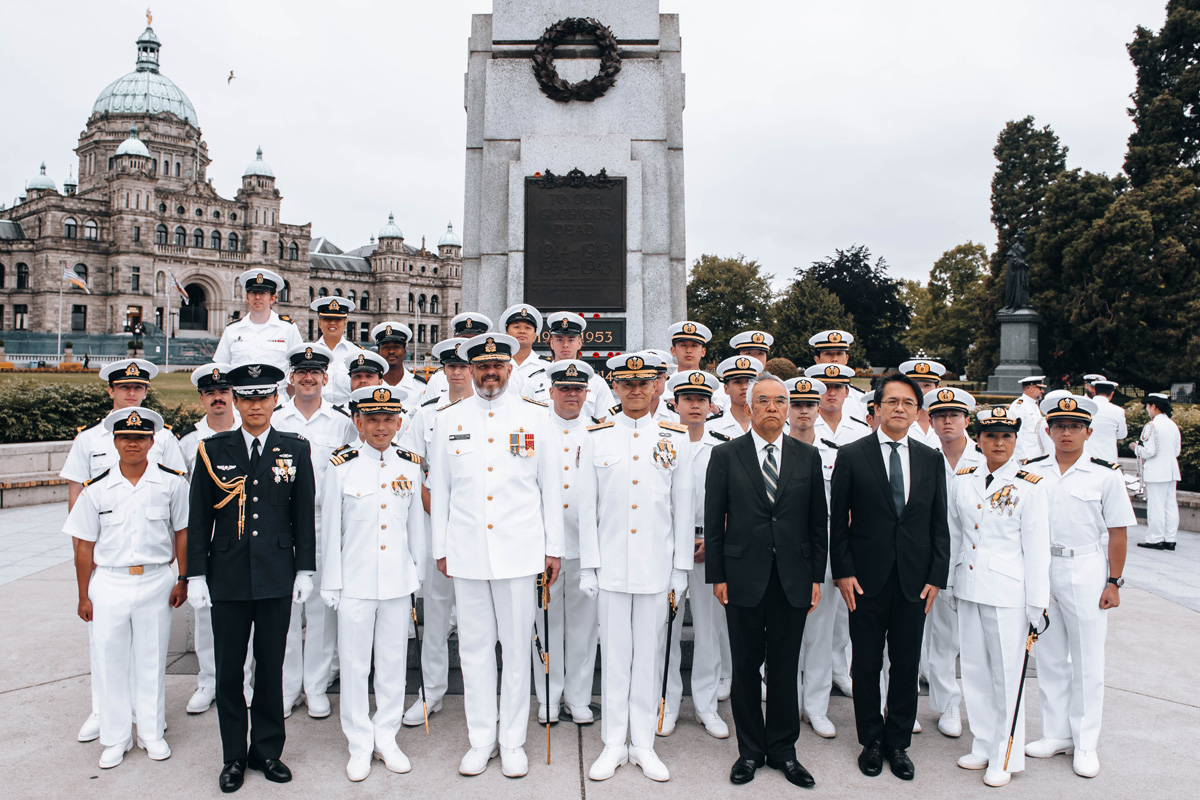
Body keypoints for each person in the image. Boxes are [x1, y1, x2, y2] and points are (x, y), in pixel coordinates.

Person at [429, 333, 564, 778]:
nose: (490, 372)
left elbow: (550, 487)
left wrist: (553, 549)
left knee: (517, 649)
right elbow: (441, 489)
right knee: (474, 651)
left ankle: (512, 741)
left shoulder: (536, 417)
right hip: (467, 552)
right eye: (482, 366)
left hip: (520, 553)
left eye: (497, 366)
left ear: (510, 369)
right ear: (470, 370)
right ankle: (481, 739)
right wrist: (441, 548)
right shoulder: (449, 419)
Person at [186, 363, 316, 794]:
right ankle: (233, 756)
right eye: (246, 398)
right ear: (235, 402)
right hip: (227, 577)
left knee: (271, 667)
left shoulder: (294, 449)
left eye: (263, 397)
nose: (255, 405)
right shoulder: (212, 450)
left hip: (276, 575)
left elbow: (302, 515)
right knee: (228, 672)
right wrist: (196, 575)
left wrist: (304, 568)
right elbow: (199, 518)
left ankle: (266, 750)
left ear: (276, 399)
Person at [705, 372, 826, 788]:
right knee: (745, 666)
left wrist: (816, 575)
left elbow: (817, 523)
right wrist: (717, 575)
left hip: (793, 577)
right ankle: (750, 751)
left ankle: (784, 750)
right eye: (763, 400)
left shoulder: (807, 456)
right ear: (749, 406)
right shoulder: (726, 455)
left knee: (785, 666)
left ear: (788, 408)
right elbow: (714, 521)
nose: (772, 407)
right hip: (742, 576)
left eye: (779, 401)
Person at [578, 352, 693, 783]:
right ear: (615, 387)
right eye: (627, 383)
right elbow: (586, 508)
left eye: (644, 383)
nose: (636, 390)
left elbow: (683, 508)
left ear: (655, 386)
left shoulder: (674, 436)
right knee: (614, 659)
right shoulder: (597, 435)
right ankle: (613, 743)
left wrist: (680, 570)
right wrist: (589, 566)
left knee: (648, 658)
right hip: (610, 568)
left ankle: (643, 743)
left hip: (655, 568)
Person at [830, 372, 950, 782]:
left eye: (908, 403)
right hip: (865, 579)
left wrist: (937, 574)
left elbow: (938, 523)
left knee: (905, 663)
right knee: (865, 663)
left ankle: (897, 742)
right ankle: (870, 740)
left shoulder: (931, 459)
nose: (900, 408)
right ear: (877, 408)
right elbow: (838, 522)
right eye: (892, 401)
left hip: (914, 580)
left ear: (918, 412)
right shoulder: (852, 455)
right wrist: (843, 571)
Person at [60, 357, 185, 743]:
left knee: (148, 651)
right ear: (111, 390)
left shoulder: (164, 438)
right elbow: (77, 495)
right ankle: (103, 712)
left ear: (146, 391)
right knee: (105, 648)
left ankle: (147, 719)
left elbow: (177, 500)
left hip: (150, 560)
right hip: (107, 559)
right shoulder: (89, 439)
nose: (132, 393)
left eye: (139, 387)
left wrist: (173, 564)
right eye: (125, 387)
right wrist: (86, 558)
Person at [1023, 395, 1136, 778]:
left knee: (1088, 660)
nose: (1066, 433)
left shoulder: (1105, 474)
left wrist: (1113, 582)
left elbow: (1118, 532)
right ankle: (1056, 734)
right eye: (1059, 426)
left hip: (1085, 567)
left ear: (1088, 432)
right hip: (1042, 568)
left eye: (1074, 427)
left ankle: (1085, 742)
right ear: (1048, 430)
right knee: (1050, 657)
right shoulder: (1032, 471)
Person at [320, 385, 425, 782]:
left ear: (399, 422)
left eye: (388, 419)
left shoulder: (409, 465)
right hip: (355, 582)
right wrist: (331, 582)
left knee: (393, 664)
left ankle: (387, 736)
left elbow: (415, 529)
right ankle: (359, 742)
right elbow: (330, 529)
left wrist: (417, 577)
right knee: (354, 664)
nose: (381, 427)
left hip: (397, 583)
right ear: (358, 422)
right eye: (373, 419)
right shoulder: (341, 465)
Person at [949, 406, 1050, 787]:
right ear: (978, 439)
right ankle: (982, 743)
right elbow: (955, 535)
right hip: (969, 585)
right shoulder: (963, 478)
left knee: (1008, 677)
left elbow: (1037, 548)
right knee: (974, 671)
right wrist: (950, 583)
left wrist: (1037, 603)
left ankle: (1005, 754)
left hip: (1009, 593)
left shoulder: (1030, 485)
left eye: (1007, 436)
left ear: (1015, 440)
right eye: (991, 435)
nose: (999, 442)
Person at [273, 344, 357, 720]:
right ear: (291, 377)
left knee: (322, 611)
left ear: (325, 377)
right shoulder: (276, 419)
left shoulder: (341, 424)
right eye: (302, 372)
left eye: (315, 372)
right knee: (286, 612)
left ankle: (316, 687)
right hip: (282, 523)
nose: (308, 378)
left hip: (324, 523)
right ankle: (288, 687)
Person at [400, 338, 471, 728]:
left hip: (477, 527)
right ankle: (431, 692)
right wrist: (434, 507)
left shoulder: (489, 411)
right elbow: (411, 467)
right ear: (443, 370)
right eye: (451, 366)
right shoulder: (425, 413)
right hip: (436, 524)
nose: (457, 372)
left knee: (481, 617)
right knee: (438, 613)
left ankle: (483, 697)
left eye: (463, 365)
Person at [527, 359, 601, 726]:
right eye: (565, 388)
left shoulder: (600, 431)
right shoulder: (534, 430)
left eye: (578, 389)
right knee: (546, 624)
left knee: (584, 628)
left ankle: (579, 697)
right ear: (551, 391)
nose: (572, 394)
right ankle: (548, 697)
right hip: (545, 549)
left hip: (587, 547)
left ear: (587, 393)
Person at [175, 364, 252, 715]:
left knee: (247, 615)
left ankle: (244, 682)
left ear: (233, 396)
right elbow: (182, 498)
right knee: (206, 613)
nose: (218, 398)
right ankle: (208, 680)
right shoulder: (187, 441)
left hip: (244, 536)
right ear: (201, 398)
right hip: (206, 537)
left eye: (223, 392)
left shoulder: (249, 432)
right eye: (210, 393)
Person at [661, 369, 729, 739]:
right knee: (666, 629)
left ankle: (705, 705)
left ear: (711, 405)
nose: (695, 406)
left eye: (702, 399)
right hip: (669, 547)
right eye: (688, 399)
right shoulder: (662, 441)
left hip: (708, 546)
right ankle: (668, 703)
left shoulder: (723, 446)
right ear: (675, 403)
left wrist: (716, 539)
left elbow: (734, 501)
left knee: (709, 630)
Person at [919, 387, 983, 740]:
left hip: (972, 559)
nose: (947, 422)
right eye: (940, 415)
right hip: (930, 557)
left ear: (966, 420)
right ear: (930, 421)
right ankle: (943, 703)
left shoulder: (984, 459)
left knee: (966, 640)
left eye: (954, 415)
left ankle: (968, 706)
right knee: (931, 635)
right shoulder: (924, 458)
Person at [806, 361, 870, 699]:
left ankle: (840, 670)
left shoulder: (859, 431)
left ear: (847, 391)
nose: (831, 392)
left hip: (847, 531)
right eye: (825, 386)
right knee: (814, 611)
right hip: (811, 531)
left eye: (837, 387)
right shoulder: (801, 424)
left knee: (846, 610)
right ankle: (810, 680)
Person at [784, 375, 842, 740]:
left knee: (821, 633)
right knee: (784, 633)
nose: (803, 411)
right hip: (783, 549)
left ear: (819, 410)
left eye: (809, 405)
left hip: (824, 549)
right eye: (796, 404)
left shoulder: (835, 453)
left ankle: (817, 707)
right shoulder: (773, 449)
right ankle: (787, 703)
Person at [213, 269, 302, 392]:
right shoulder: (232, 330)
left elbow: (299, 366)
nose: (257, 297)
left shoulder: (287, 328)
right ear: (247, 297)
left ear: (272, 298)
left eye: (263, 293)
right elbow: (221, 367)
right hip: (241, 397)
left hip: (276, 398)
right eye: (253, 293)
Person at [545, 311, 614, 419]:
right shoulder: (534, 381)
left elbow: (605, 419)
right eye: (559, 339)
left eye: (571, 340)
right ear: (551, 343)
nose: (565, 345)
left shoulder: (597, 382)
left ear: (579, 343)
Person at [1135, 392, 1182, 550]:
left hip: (1156, 471)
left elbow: (1149, 451)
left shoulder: (1152, 425)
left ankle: (1155, 538)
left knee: (1156, 505)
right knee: (1170, 505)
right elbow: (1177, 451)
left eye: (1147, 406)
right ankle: (1170, 538)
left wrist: (1136, 449)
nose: (1147, 410)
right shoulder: (1172, 425)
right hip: (1171, 470)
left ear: (1154, 406)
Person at [310, 296, 364, 406]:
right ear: (319, 323)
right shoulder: (309, 353)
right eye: (327, 319)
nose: (332, 323)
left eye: (338, 319)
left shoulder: (357, 354)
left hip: (348, 412)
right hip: (315, 411)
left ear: (345, 323)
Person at [668, 320, 727, 411]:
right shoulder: (663, 387)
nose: (688, 350)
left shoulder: (719, 388)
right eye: (683, 345)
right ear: (673, 351)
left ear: (703, 352)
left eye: (694, 345)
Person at [809, 329, 867, 420]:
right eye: (828, 354)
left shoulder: (861, 399)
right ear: (817, 360)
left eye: (839, 354)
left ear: (847, 358)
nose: (834, 359)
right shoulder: (805, 397)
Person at [501, 303, 550, 397]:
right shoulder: (497, 365)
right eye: (516, 327)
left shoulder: (547, 367)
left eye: (527, 328)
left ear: (534, 336)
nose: (522, 331)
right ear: (507, 334)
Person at [370, 322, 428, 399]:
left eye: (396, 347)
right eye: (386, 347)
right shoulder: (370, 386)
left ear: (404, 351)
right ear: (378, 352)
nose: (391, 351)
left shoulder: (421, 387)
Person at [898, 359, 947, 449]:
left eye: (927, 385)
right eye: (915, 385)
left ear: (938, 388)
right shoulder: (896, 420)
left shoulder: (949, 421)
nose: (921, 391)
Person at [1084, 379, 1127, 463]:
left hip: (1086, 453)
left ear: (1094, 391)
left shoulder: (1085, 407)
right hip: (1108, 456)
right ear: (1112, 393)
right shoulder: (1118, 411)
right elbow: (1122, 434)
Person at [1008, 376, 1047, 463]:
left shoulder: (1034, 405)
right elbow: (1016, 432)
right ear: (1031, 388)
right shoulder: (1019, 406)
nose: (1042, 391)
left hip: (1037, 455)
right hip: (1026, 457)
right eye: (1040, 388)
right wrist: (1021, 456)